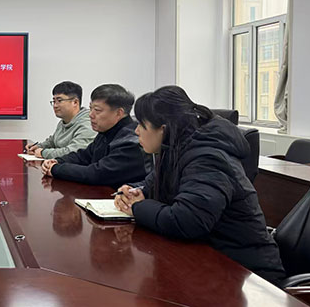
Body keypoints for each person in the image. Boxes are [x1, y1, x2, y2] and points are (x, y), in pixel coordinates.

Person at [114, 85, 285, 285]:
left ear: (164, 129)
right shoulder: (174, 149)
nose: (136, 131)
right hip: (209, 260)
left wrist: (137, 207)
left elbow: (187, 221)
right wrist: (137, 191)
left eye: (142, 125)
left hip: (248, 275)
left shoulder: (208, 159)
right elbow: (152, 184)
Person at [42, 84, 151, 188]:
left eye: (97, 110)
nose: (90, 115)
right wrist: (58, 161)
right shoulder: (106, 132)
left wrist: (56, 169)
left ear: (119, 113)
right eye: (91, 108)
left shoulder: (130, 142)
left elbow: (97, 174)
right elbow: (84, 156)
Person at [25, 81, 96, 159]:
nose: (55, 105)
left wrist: (43, 152)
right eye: (54, 101)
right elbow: (53, 141)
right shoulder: (63, 121)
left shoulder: (88, 123)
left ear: (75, 102)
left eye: (59, 101)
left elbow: (74, 152)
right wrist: (38, 146)